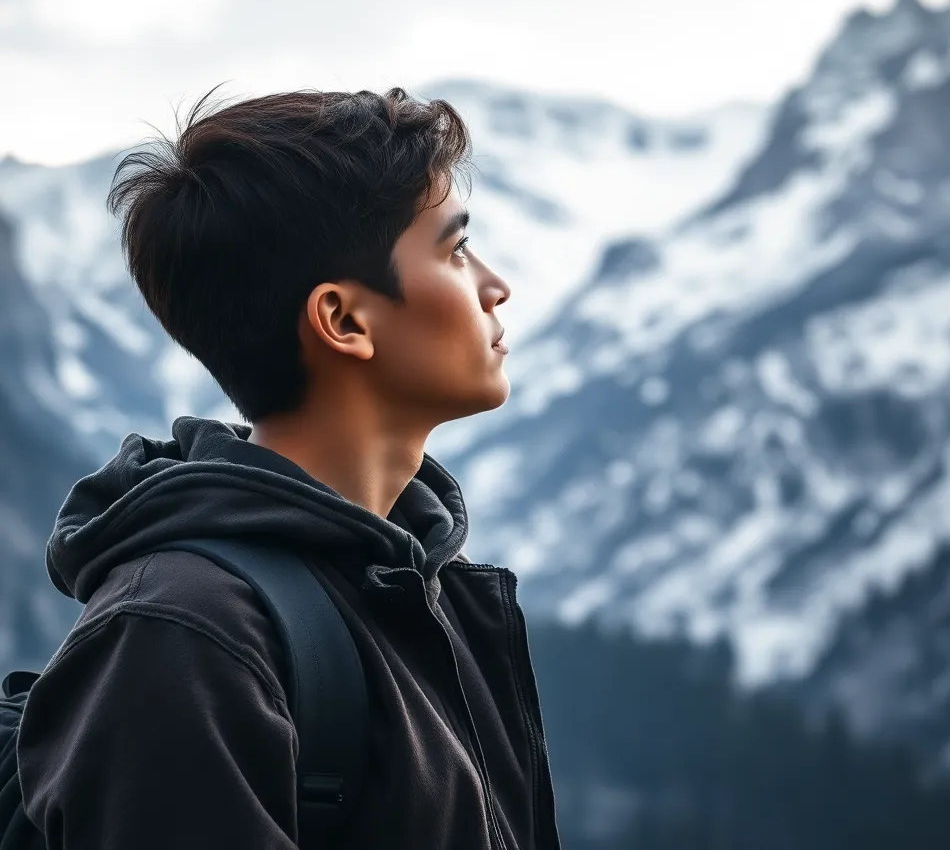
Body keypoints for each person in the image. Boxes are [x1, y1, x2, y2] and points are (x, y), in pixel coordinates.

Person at [16, 87, 561, 849]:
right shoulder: (185, 638)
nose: (494, 286)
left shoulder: (424, 584)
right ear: (343, 320)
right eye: (454, 249)